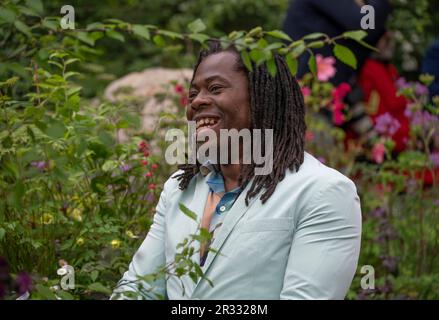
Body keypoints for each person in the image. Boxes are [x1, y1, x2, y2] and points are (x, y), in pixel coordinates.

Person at [112, 41, 362, 300]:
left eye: (215, 88)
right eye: (193, 94)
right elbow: (137, 288)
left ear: (260, 95)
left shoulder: (322, 191)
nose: (197, 102)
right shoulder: (179, 188)